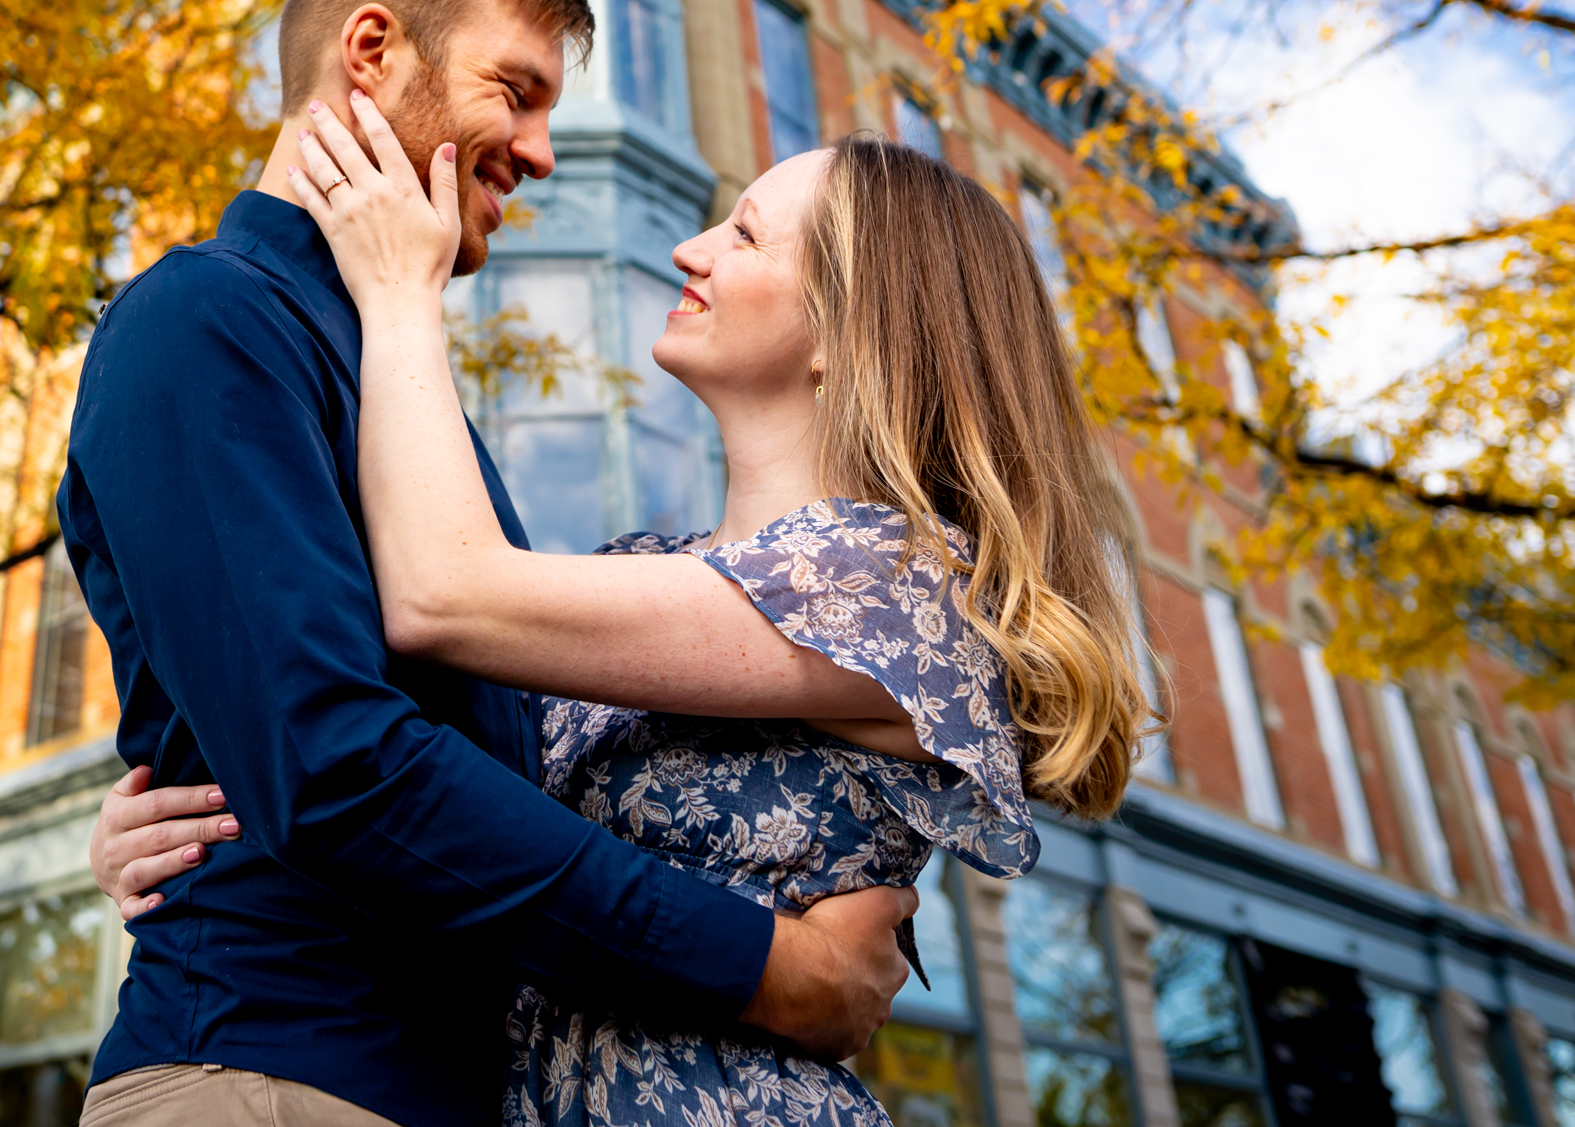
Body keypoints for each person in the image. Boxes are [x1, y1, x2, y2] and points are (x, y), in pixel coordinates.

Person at [100, 104, 1151, 1123]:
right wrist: (194, 810)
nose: (694, 248)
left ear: (847, 326)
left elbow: (442, 590)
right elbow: (424, 773)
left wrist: (398, 291)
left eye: (743, 232)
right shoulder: (648, 571)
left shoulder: (891, 588)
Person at [57, 0, 921, 1127]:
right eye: (514, 91)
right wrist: (766, 965)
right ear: (372, 54)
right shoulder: (209, 319)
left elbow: (390, 746)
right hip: (276, 1076)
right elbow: (335, 768)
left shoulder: (397, 394)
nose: (541, 150)